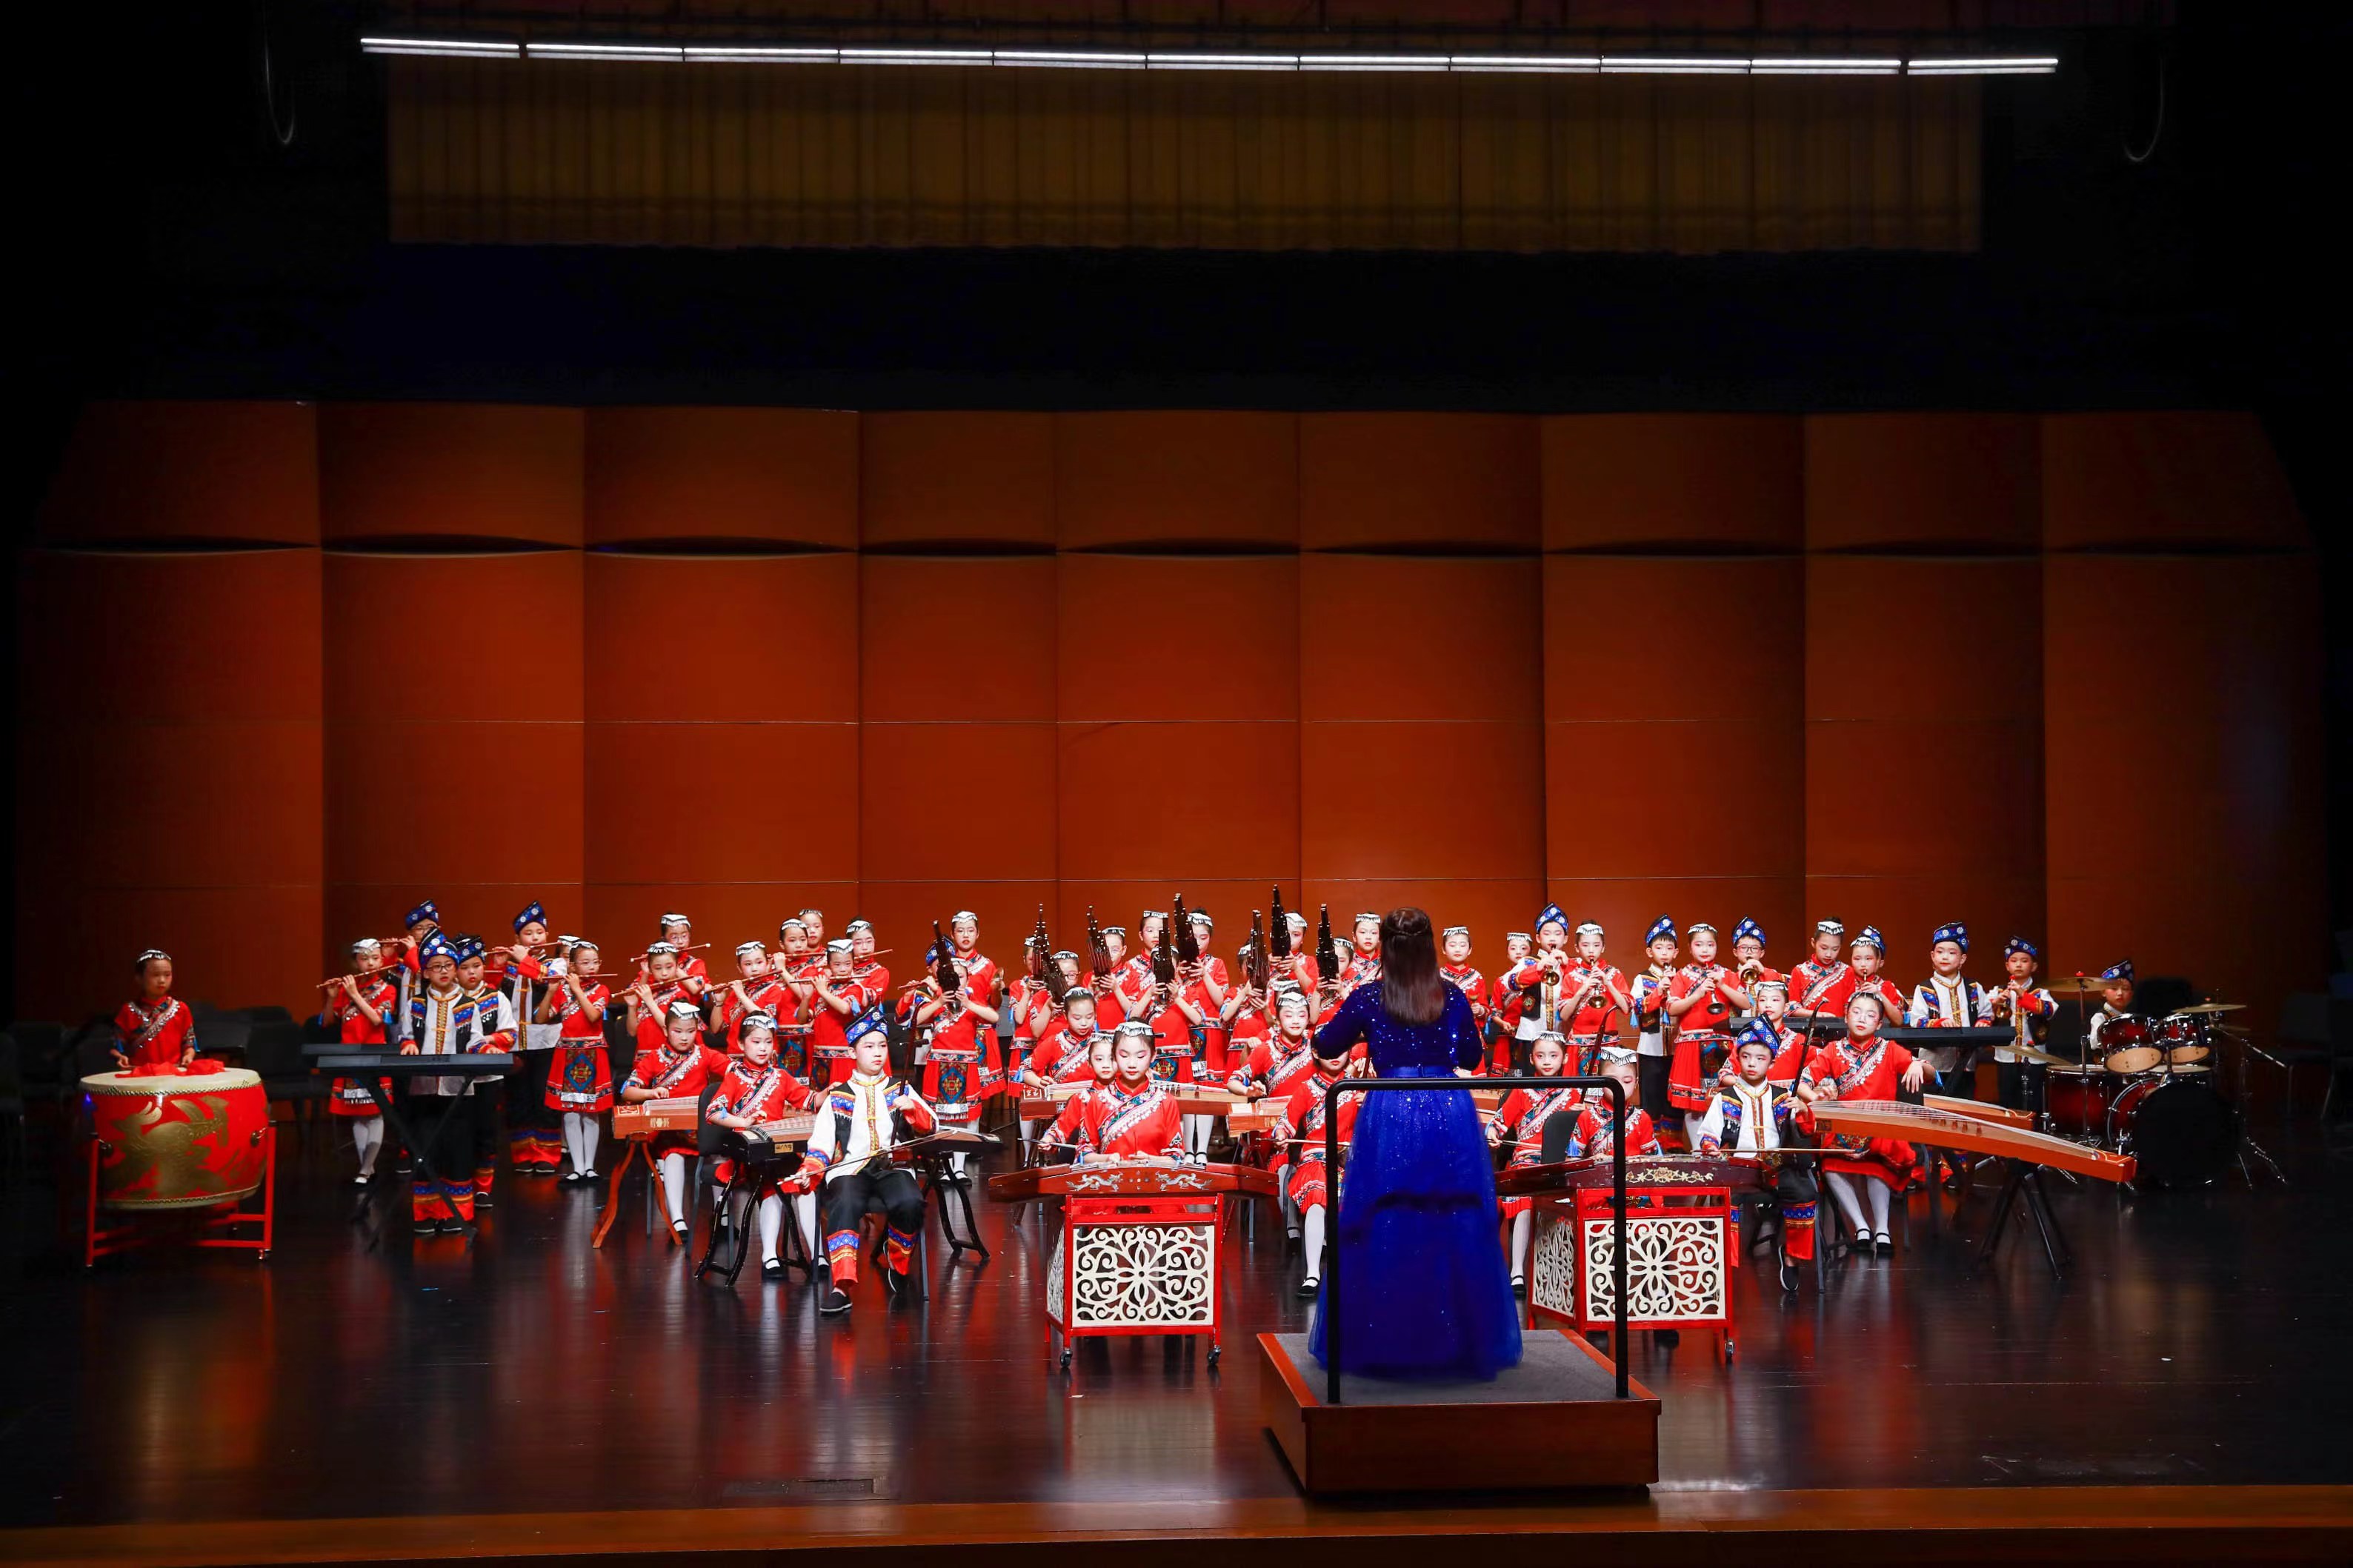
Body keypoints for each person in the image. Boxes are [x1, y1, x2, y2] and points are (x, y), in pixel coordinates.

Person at [1307, 907, 1520, 1381]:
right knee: (1452, 1213)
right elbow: (1470, 1055)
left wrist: (1333, 1007)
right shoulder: (1454, 996)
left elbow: (1324, 1046)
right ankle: (1459, 1340)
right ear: (1430, 949)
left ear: (1384, 947)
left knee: (1389, 1214)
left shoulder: (1366, 998)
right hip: (1448, 1109)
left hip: (1391, 1109)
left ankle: (1388, 1338)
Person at [801, 1011, 936, 1313]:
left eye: (882, 1046)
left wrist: (913, 1108)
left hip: (893, 1167)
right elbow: (821, 1143)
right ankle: (842, 1285)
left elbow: (932, 1126)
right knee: (844, 1200)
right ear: (852, 1052)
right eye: (868, 1046)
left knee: (911, 1201)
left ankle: (898, 1262)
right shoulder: (839, 1096)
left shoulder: (899, 1089)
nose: (877, 1053)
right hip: (851, 1169)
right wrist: (809, 1171)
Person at [1795, 991, 1928, 1257]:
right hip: (1847, 1127)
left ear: (1879, 1024)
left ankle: (1882, 1229)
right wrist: (1820, 1100)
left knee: (1877, 1160)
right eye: (1856, 1012)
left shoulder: (1889, 1050)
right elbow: (1802, 1082)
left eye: (1870, 1015)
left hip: (1880, 1127)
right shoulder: (1833, 1051)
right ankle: (1860, 1226)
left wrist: (1918, 1063)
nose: (1862, 1019)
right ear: (1846, 1016)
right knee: (1830, 1164)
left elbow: (1932, 1076)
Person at [399, 935, 515, 1235]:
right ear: (425, 972)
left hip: (459, 1089)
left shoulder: (467, 1004)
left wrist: (486, 1050)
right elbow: (405, 1034)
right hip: (423, 1088)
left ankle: (455, 1212)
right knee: (426, 1148)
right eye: (436, 967)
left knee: (458, 1149)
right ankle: (425, 1212)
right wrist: (409, 1043)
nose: (443, 972)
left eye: (448, 966)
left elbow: (476, 1040)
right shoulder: (416, 1004)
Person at [1695, 1022, 1817, 1288]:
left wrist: (1803, 1110)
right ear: (1738, 1058)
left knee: (1804, 1192)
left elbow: (1806, 1132)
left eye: (1760, 1058)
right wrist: (1711, 1148)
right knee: (1727, 1197)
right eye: (1746, 1056)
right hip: (1740, 1168)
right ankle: (1724, 1266)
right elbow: (1708, 1135)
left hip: (1776, 1167)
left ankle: (1792, 1256)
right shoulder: (1725, 1097)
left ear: (1771, 1064)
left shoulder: (1782, 1096)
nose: (1752, 1063)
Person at [705, 1014, 818, 1281]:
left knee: (805, 1182)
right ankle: (769, 1256)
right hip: (748, 1156)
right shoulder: (734, 1078)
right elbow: (713, 1112)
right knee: (773, 1186)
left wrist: (829, 1093)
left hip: (779, 1151)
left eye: (768, 1042)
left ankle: (819, 1255)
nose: (763, 1048)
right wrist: (742, 1122)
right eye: (756, 1042)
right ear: (742, 1044)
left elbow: (810, 1101)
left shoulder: (781, 1076)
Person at [620, 998, 729, 1243]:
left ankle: (721, 1217)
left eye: (690, 1032)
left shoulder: (705, 1055)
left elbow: (734, 1072)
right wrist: (650, 1093)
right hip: (669, 1129)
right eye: (677, 1031)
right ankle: (677, 1219)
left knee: (721, 1153)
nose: (684, 1037)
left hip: (701, 1128)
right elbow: (627, 1091)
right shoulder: (654, 1058)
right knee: (673, 1154)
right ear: (665, 1030)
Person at [1488, 1032, 1579, 1294]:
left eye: (1554, 1056)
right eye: (1541, 1056)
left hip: (1560, 1160)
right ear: (1531, 1058)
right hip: (1526, 1159)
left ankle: (1562, 1270)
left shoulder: (1573, 1092)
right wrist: (1493, 1135)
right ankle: (1518, 1271)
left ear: (1564, 1059)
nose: (1547, 1062)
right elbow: (1497, 1123)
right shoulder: (1521, 1090)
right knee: (1526, 1201)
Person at [1273, 1030, 1361, 1298]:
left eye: (1341, 1048)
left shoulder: (1359, 1088)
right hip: (1316, 1156)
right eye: (1328, 1050)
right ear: (1315, 1053)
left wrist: (1370, 1106)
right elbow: (1285, 1123)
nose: (1335, 1056)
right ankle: (1313, 1273)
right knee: (1316, 1195)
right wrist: (1281, 1137)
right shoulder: (1306, 1089)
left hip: (1352, 1158)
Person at [495, 902, 565, 1178]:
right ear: (517, 939)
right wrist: (500, 968)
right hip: (514, 1043)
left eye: (539, 932)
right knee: (518, 1101)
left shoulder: (555, 962)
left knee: (543, 1099)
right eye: (528, 933)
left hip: (546, 1042)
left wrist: (525, 959)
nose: (535, 937)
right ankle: (523, 1153)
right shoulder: (509, 966)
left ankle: (547, 1154)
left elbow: (546, 979)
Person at [1065, 1021, 1189, 1166]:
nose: (1132, 1064)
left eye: (1140, 1056)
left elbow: (1176, 1157)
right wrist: (1107, 1159)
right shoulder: (1098, 1100)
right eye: (1124, 1056)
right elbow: (1084, 1154)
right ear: (1114, 1056)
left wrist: (1152, 1160)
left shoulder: (1165, 1102)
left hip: (1154, 1183)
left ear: (1153, 1056)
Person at [324, 938, 397, 1184]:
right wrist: (332, 998)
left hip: (374, 1056)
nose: (370, 963)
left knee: (375, 1113)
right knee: (357, 1113)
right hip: (350, 1055)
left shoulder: (388, 989)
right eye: (365, 959)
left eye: (375, 958)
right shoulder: (345, 990)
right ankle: (367, 1167)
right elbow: (327, 1022)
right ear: (356, 962)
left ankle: (365, 1170)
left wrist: (354, 994)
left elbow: (378, 1021)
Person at [1666, 923, 1748, 1140]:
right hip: (1692, 1046)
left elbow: (1745, 1003)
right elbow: (1673, 1008)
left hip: (1720, 1047)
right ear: (1690, 948)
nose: (1705, 949)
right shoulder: (1682, 975)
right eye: (1699, 944)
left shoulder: (1727, 974)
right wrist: (1698, 994)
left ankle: (1718, 1146)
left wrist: (1721, 986)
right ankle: (1697, 1150)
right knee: (1694, 1105)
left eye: (1710, 944)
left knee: (1718, 1099)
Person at [542, 938, 613, 1183]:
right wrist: (551, 990)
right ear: (572, 966)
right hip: (568, 1054)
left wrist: (577, 990)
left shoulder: (602, 990)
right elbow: (542, 1018)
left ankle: (590, 1167)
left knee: (590, 1113)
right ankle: (578, 1167)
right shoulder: (561, 991)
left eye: (595, 962)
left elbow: (594, 1015)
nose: (592, 967)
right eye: (585, 963)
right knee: (571, 1114)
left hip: (593, 1054)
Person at [1906, 921, 1990, 1092]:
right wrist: (1939, 1023)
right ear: (1932, 956)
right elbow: (1917, 1021)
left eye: (1952, 953)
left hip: (1966, 1064)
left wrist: (1983, 1024)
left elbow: (1986, 1014)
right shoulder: (1924, 989)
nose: (1945, 957)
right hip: (1934, 1065)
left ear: (1962, 958)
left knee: (1965, 1107)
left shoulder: (1973, 988)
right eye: (1940, 952)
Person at [1988, 938, 2059, 1112]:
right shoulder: (1998, 991)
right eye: (2014, 961)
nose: (2018, 965)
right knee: (2007, 1100)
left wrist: (2023, 996)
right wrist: (1996, 1002)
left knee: (2034, 1102)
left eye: (2024, 961)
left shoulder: (2041, 992)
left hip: (2034, 1057)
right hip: (2006, 1056)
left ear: (2034, 966)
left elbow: (2050, 1010)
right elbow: (1982, 1014)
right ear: (2007, 966)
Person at [1558, 921, 1631, 1077]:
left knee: (1604, 1092)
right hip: (1578, 1043)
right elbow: (1564, 1016)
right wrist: (1583, 989)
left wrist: (1608, 983)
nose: (1591, 950)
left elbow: (1626, 1008)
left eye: (1596, 945)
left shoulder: (1614, 974)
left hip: (1606, 1042)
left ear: (1603, 947)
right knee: (1576, 1094)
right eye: (1585, 945)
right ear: (1577, 948)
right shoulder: (1571, 977)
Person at [809, 938, 888, 1084]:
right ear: (829, 965)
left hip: (843, 1055)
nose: (843, 969)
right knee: (821, 1102)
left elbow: (845, 1009)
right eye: (837, 965)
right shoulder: (824, 986)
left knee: (843, 1100)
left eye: (848, 964)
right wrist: (808, 995)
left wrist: (823, 992)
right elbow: (805, 1018)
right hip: (820, 1053)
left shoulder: (855, 987)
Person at [1627, 916, 1680, 1121]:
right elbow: (1635, 1006)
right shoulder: (1642, 979)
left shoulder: (1682, 977)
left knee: (1673, 1097)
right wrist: (1659, 991)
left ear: (1676, 952)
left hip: (1676, 1047)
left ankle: (1673, 1142)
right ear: (1650, 951)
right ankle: (1652, 1141)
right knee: (1651, 1096)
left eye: (1669, 948)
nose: (1664, 953)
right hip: (1650, 1048)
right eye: (1659, 948)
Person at [113, 949, 197, 1070]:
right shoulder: (128, 1011)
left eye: (167, 975)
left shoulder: (181, 1009)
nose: (162, 980)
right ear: (139, 978)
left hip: (174, 1074)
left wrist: (189, 1055)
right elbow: (116, 1046)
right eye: (155, 975)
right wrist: (119, 1057)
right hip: (139, 1076)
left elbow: (189, 1044)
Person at [1439, 927, 1488, 1069]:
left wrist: (1480, 1010)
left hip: (1470, 1033)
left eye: (1462, 945)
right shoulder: (1437, 977)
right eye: (1452, 945)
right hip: (1445, 1033)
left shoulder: (1476, 977)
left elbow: (1486, 1007)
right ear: (1444, 949)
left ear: (1470, 949)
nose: (1457, 949)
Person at [1484, 931, 1532, 1075]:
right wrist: (1502, 1023)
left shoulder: (1537, 980)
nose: (1518, 952)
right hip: (1507, 1033)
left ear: (1531, 954)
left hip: (1529, 1034)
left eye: (1523, 948)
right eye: (1513, 948)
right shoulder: (1501, 982)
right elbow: (1494, 1011)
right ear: (1507, 954)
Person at [1788, 919, 1852, 1023]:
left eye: (1835, 949)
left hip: (1839, 1030)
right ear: (1813, 943)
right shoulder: (1799, 971)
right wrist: (1818, 1015)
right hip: (1807, 1030)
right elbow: (1792, 1008)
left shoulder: (1847, 972)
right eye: (1824, 948)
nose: (1829, 954)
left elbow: (1850, 1007)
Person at [2086, 960, 2137, 1055]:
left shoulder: (2130, 1018)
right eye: (2114, 988)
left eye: (2125, 989)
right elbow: (2095, 1045)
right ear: (2103, 992)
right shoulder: (2100, 1017)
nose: (2120, 993)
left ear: (2131, 994)